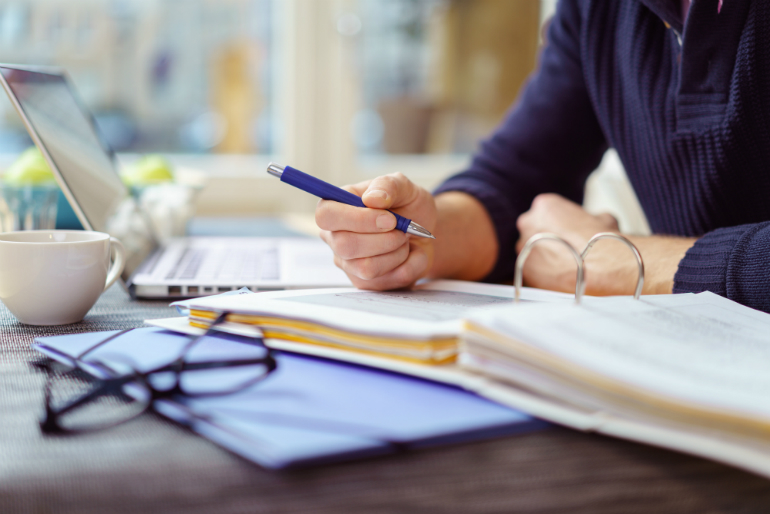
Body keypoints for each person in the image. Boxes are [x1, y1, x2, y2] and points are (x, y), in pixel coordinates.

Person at [316, 0, 770, 313]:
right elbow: (517, 176)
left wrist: (628, 264)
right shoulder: (599, 10)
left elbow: (613, 264)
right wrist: (427, 235)